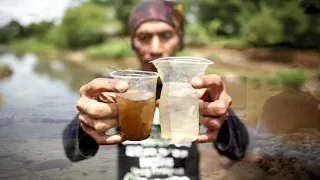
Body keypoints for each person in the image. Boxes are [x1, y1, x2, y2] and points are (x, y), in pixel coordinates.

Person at [62, 0, 249, 180]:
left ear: (180, 40)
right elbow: (74, 154)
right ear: (133, 42)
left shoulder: (197, 90)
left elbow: (238, 150)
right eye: (144, 37)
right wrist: (85, 125)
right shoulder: (117, 89)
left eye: (166, 35)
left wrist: (223, 118)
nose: (155, 48)